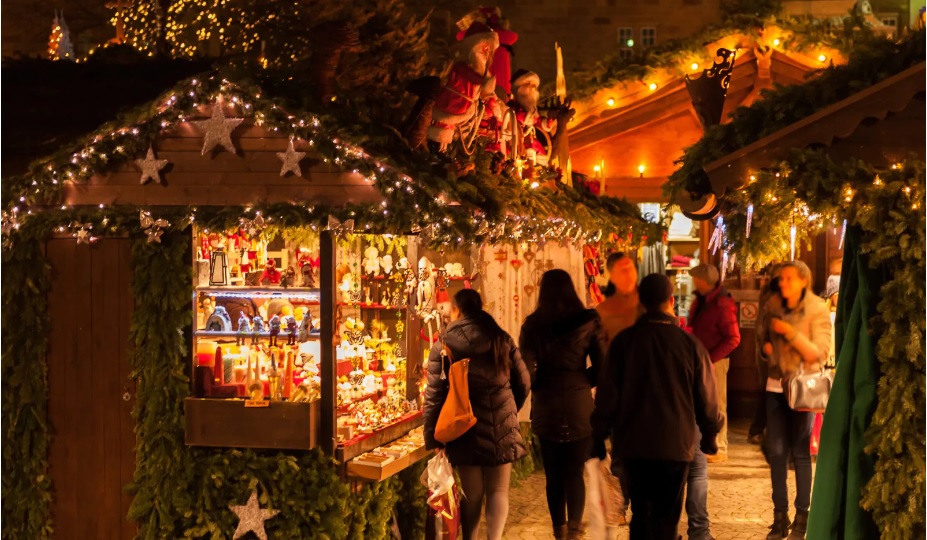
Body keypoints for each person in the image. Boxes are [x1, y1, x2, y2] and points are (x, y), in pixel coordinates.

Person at [592, 274, 722, 540]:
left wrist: (598, 434)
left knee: (640, 513)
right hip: (676, 445)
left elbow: (607, 396)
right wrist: (709, 436)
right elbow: (707, 398)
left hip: (633, 445)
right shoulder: (690, 345)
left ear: (641, 302)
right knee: (667, 517)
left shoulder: (624, 343)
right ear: (671, 301)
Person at [423, 288, 531, 540]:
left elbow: (434, 394)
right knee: (498, 492)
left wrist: (433, 438)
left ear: (458, 310)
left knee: (472, 495)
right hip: (503, 426)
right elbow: (524, 381)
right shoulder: (501, 338)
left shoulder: (445, 343)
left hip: (464, 426)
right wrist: (508, 409)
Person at [519, 269, 607, 540]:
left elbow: (526, 371)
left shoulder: (533, 324)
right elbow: (604, 367)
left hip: (547, 403)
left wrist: (538, 383)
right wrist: (582, 379)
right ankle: (574, 533)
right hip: (579, 403)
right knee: (574, 473)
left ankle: (559, 532)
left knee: (554, 474)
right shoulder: (590, 321)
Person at [758, 261, 832, 540]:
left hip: (804, 389)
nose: (783, 283)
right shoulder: (772, 306)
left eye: (789, 279)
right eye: (781, 279)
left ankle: (802, 518)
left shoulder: (817, 309)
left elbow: (821, 353)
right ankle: (780, 517)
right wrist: (768, 349)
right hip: (776, 387)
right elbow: (762, 342)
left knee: (800, 453)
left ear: (804, 281)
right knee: (777, 454)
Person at [688, 264, 741, 463]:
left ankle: (721, 447)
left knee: (717, 402)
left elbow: (734, 338)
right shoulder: (701, 301)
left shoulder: (722, 304)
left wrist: (711, 359)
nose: (693, 280)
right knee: (703, 400)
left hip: (715, 361)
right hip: (702, 359)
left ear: (704, 281)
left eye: (696, 277)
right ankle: (706, 444)